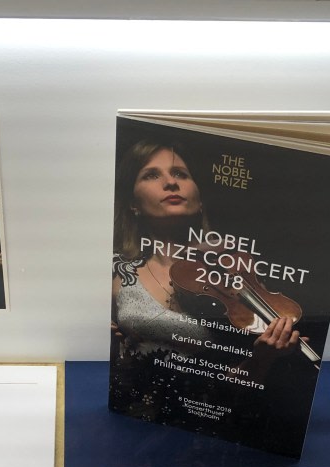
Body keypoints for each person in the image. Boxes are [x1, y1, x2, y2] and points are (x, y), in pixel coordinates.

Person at [109, 139, 306, 430]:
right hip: (132, 414)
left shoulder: (232, 270)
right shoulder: (117, 269)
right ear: (133, 204)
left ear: (199, 199)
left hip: (205, 420)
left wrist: (262, 359)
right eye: (151, 175)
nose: (171, 183)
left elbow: (229, 391)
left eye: (181, 174)